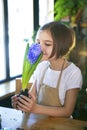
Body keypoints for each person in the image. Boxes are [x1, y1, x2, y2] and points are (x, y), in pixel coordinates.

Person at [11, 21, 83, 119]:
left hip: (62, 125)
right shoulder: (41, 67)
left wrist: (35, 108)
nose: (40, 47)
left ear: (62, 46)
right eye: (38, 42)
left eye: (47, 44)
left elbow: (67, 111)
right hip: (38, 122)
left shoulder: (73, 73)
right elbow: (31, 96)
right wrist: (22, 103)